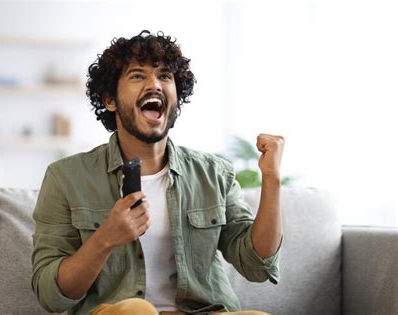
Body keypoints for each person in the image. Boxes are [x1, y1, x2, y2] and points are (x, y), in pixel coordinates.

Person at [31, 30, 285, 315]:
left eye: (165, 76)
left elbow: (257, 266)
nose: (155, 84)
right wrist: (105, 239)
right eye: (138, 76)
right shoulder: (67, 177)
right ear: (110, 100)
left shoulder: (214, 174)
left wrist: (271, 180)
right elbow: (51, 296)